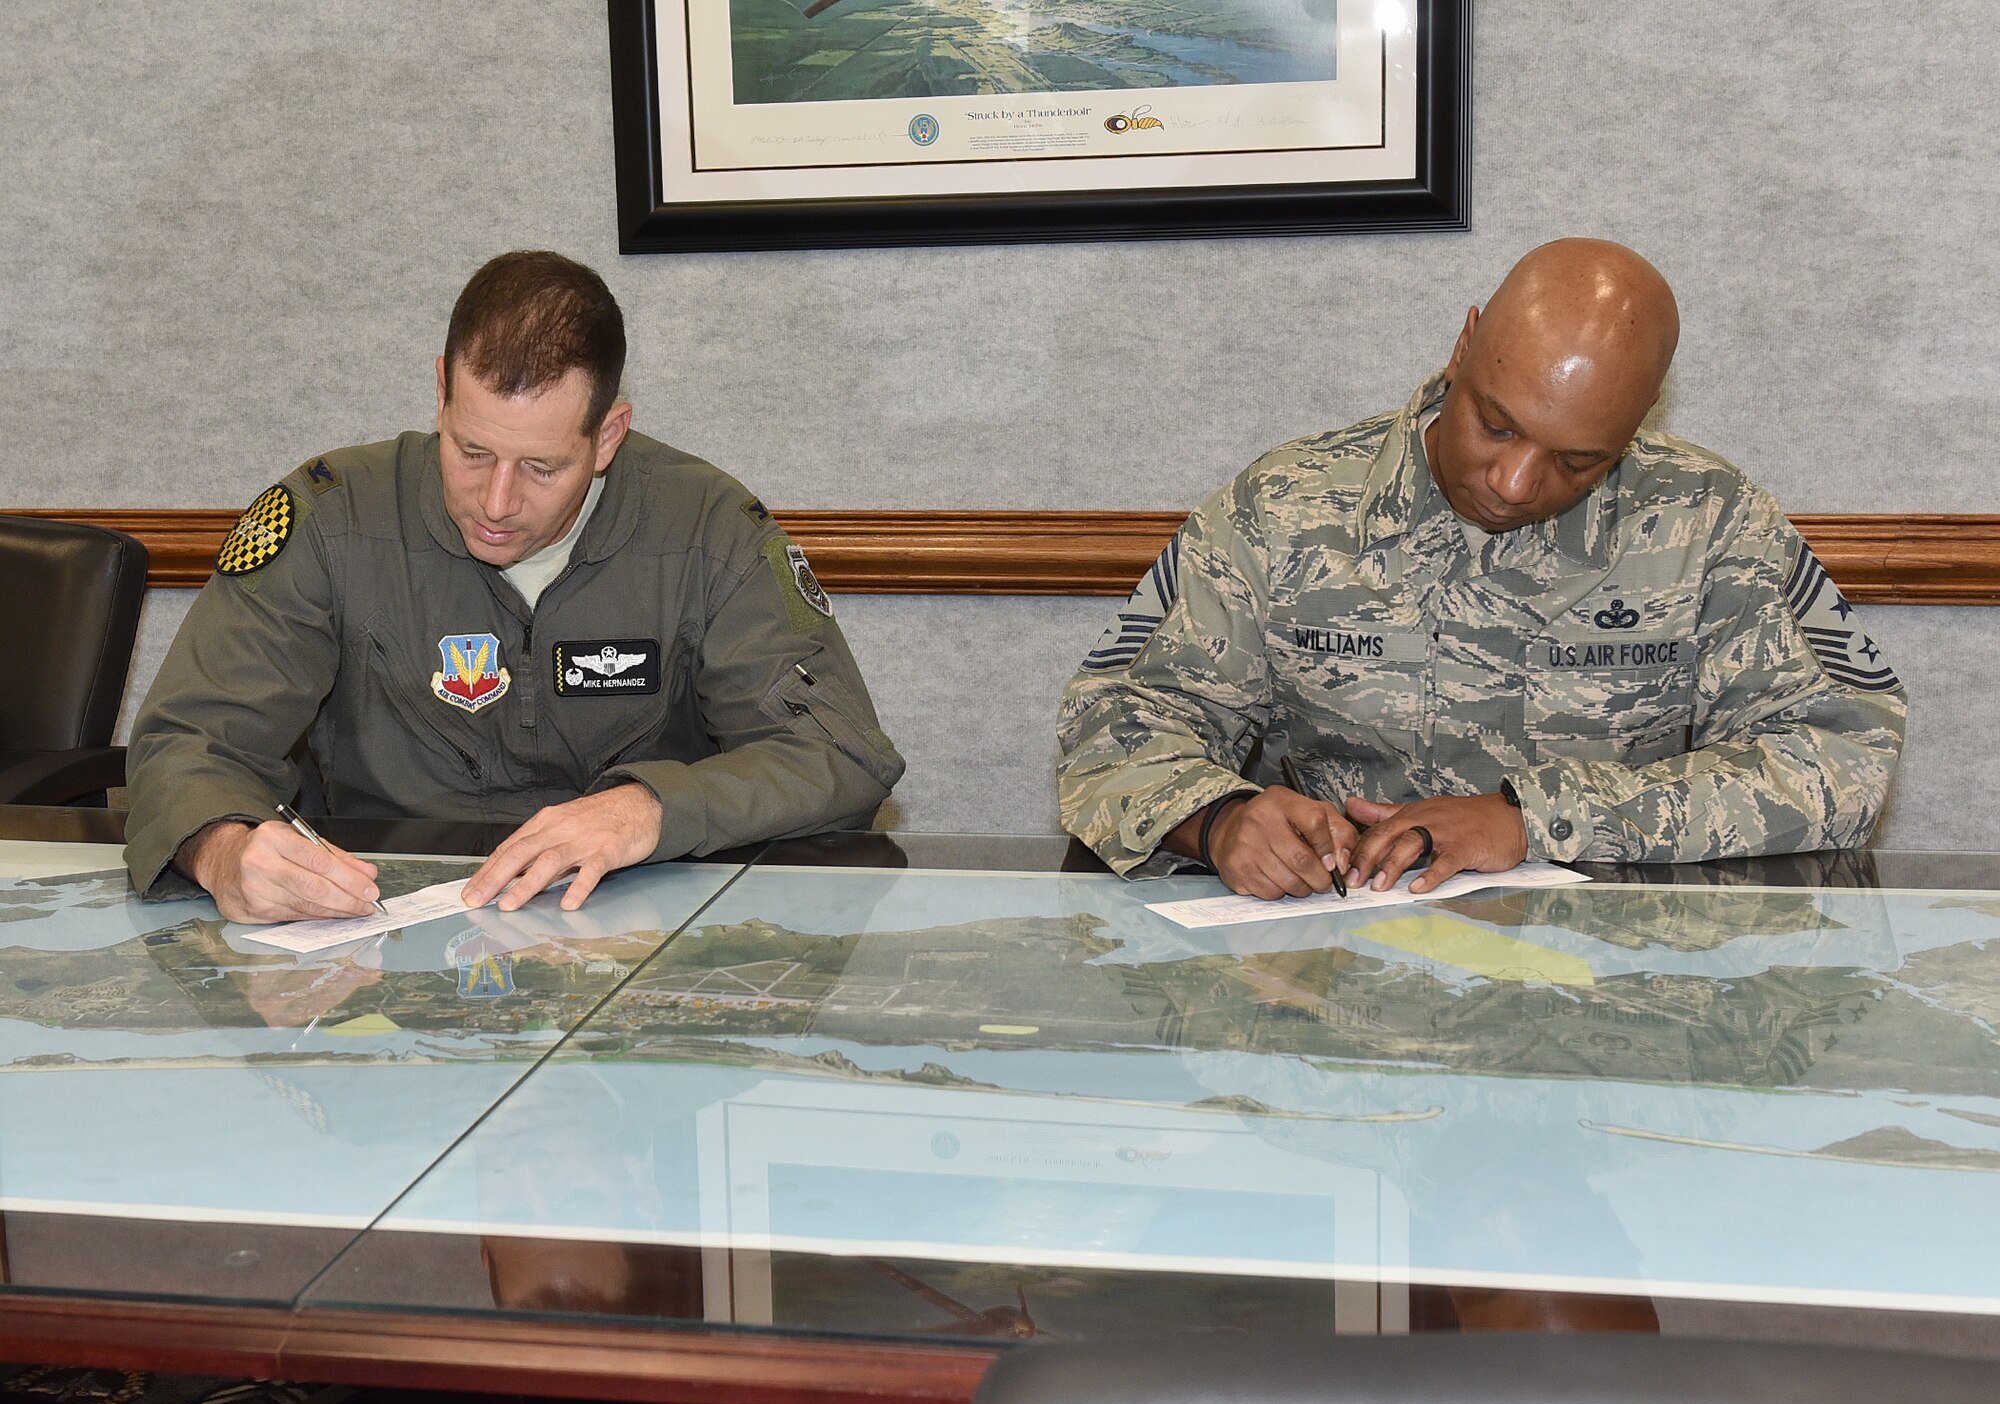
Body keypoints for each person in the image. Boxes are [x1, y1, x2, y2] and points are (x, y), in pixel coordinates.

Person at [1059, 238, 1905, 900]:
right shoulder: (1283, 509)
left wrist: (1534, 819)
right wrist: (1219, 820)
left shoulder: (1709, 524)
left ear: (1641, 422)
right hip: (1334, 1003)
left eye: (1577, 461)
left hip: (1601, 1005)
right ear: (1465, 344)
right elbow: (1113, 723)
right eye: (1496, 425)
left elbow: (1842, 761)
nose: (1514, 483)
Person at [126, 250, 904, 921]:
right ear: (440, 391)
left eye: (541, 467)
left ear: (608, 435)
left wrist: (652, 809)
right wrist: (223, 852)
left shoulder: (707, 531)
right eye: (470, 451)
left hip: (627, 945)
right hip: (380, 956)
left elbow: (837, 753)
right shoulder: (332, 521)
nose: (496, 503)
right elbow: (189, 740)